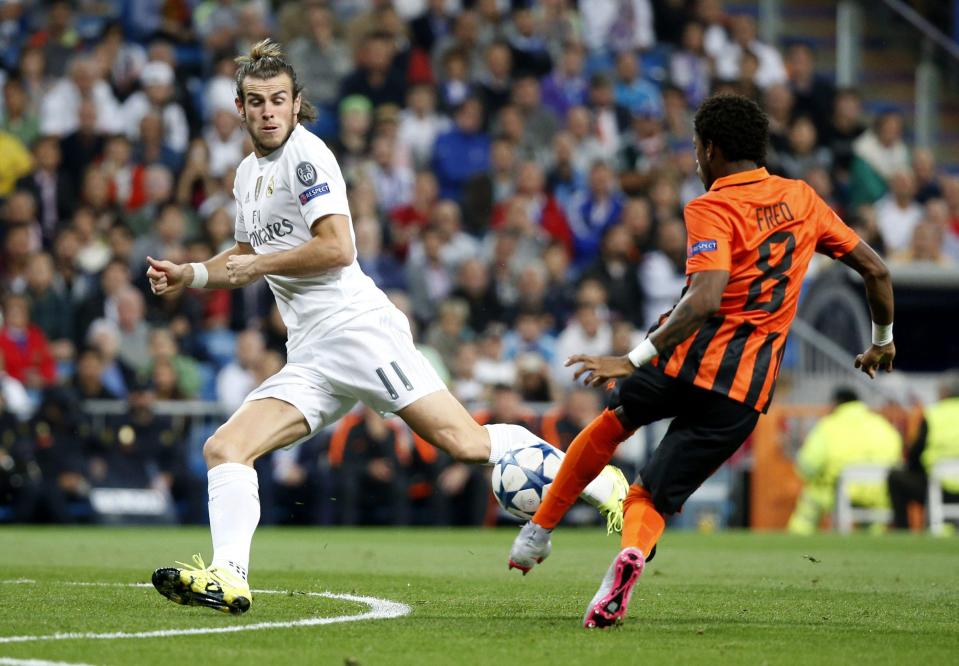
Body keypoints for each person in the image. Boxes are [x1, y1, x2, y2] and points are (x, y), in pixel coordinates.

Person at [145, 40, 627, 615]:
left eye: (278, 100)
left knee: (464, 443)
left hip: (359, 332)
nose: (268, 111)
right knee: (226, 447)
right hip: (312, 353)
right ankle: (230, 576)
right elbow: (247, 252)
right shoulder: (248, 174)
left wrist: (261, 264)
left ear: (297, 104)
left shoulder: (308, 158)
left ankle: (603, 483)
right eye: (256, 102)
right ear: (240, 108)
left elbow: (338, 247)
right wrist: (193, 274)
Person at [507, 94, 896, 629]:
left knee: (610, 425)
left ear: (710, 149)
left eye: (695, 147)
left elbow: (705, 298)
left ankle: (536, 533)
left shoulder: (710, 206)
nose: (694, 158)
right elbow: (876, 271)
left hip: (684, 359)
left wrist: (632, 357)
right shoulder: (803, 199)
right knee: (650, 494)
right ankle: (630, 561)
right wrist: (882, 339)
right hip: (745, 388)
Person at [786, 387, 902, 535]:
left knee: (812, 497)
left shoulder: (827, 426)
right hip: (877, 492)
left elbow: (809, 464)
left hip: (837, 492)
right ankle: (874, 542)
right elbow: (896, 456)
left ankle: (798, 539)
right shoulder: (882, 425)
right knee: (872, 520)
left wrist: (813, 477)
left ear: (835, 404)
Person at [887, 372, 959, 530]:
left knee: (895, 478)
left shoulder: (934, 415)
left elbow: (916, 452)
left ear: (944, 393)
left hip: (941, 488)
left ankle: (902, 531)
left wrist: (914, 468)